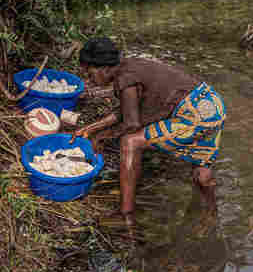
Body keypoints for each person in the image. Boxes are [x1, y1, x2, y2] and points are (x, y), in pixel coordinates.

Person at [71, 37, 226, 226]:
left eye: (89, 72)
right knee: (201, 170)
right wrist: (89, 129)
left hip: (193, 116)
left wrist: (101, 137)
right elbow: (127, 109)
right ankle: (211, 215)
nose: (89, 78)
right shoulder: (130, 66)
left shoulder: (125, 79)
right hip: (211, 105)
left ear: (103, 68)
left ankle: (125, 215)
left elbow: (131, 124)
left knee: (130, 142)